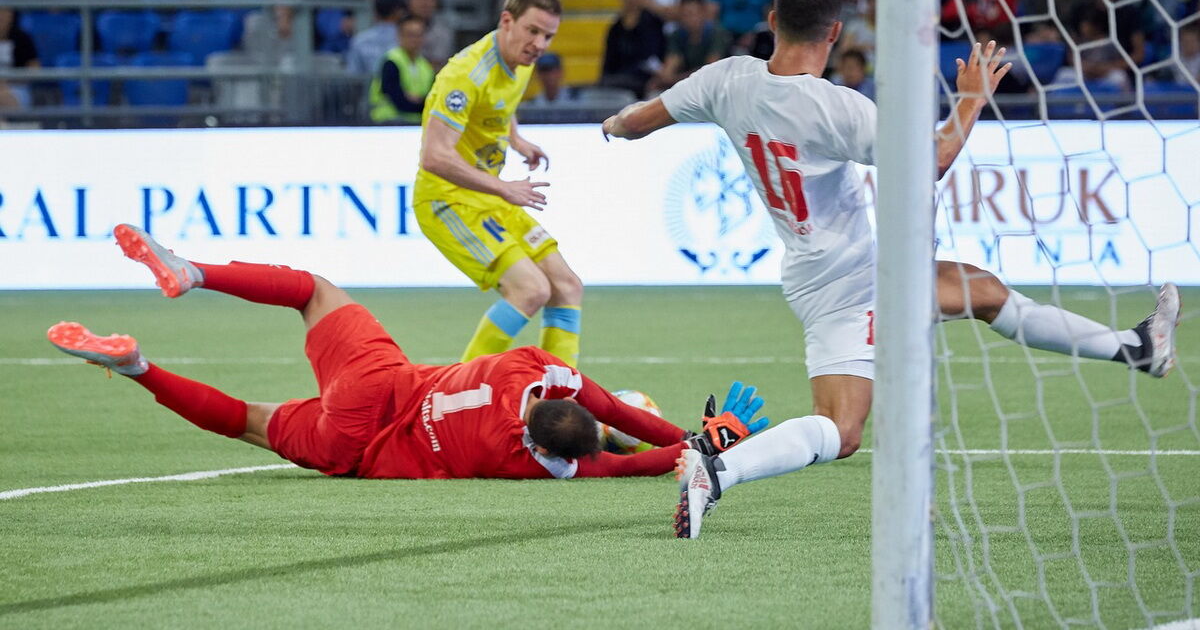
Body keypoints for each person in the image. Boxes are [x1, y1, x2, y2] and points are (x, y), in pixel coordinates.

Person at [601, 0, 1182, 538]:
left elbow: (636, 122)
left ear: (772, 20)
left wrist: (613, 124)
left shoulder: (726, 78)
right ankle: (720, 472)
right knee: (842, 428)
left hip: (820, 272)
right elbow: (932, 160)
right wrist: (971, 100)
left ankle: (1137, 348)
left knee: (982, 292)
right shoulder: (836, 107)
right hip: (855, 280)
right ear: (835, 33)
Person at [47, 224, 768, 481]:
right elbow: (621, 463)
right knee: (245, 419)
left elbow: (619, 416)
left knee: (312, 290)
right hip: (355, 448)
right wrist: (703, 451)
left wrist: (687, 434)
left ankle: (193, 272)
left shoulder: (539, 370)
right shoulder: (531, 462)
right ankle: (138, 368)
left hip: (380, 382)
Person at [413, 0, 585, 366]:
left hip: (489, 196)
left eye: (548, 36)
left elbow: (498, 105)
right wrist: (504, 188)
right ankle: (458, 391)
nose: (539, 45)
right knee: (530, 290)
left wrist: (517, 140)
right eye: (533, 31)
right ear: (507, 21)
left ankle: (560, 394)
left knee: (567, 287)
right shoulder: (465, 75)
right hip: (447, 201)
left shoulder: (521, 60)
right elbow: (434, 157)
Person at [600, 0, 665, 97]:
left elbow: (656, 57)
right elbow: (608, 64)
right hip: (618, 81)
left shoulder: (653, 22)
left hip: (645, 80)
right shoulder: (614, 29)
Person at [650, 0, 728, 92]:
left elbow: (710, 70)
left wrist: (676, 79)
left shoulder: (717, 34)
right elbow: (671, 66)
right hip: (688, 87)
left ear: (704, 13)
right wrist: (664, 77)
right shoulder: (677, 35)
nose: (690, 19)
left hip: (716, 87)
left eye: (694, 14)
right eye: (685, 15)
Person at [369, 14, 435, 122]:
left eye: (419, 35)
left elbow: (432, 100)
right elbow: (398, 100)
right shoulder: (391, 61)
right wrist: (420, 102)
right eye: (410, 35)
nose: (415, 39)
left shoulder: (425, 66)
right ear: (399, 35)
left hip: (417, 122)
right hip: (388, 121)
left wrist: (416, 100)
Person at [348, 0, 406, 77]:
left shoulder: (359, 40)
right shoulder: (407, 39)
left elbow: (353, 75)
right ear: (399, 12)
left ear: (375, 13)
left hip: (367, 85)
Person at [407, 0, 453, 68]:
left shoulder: (443, 30)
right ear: (410, 0)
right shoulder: (397, 25)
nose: (424, 3)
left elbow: (438, 64)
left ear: (435, 2)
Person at [0, 7, 39, 110]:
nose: (1, 16)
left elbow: (34, 68)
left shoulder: (22, 38)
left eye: (3, 12)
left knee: (4, 98)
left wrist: (11, 80)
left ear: (11, 15)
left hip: (16, 87)